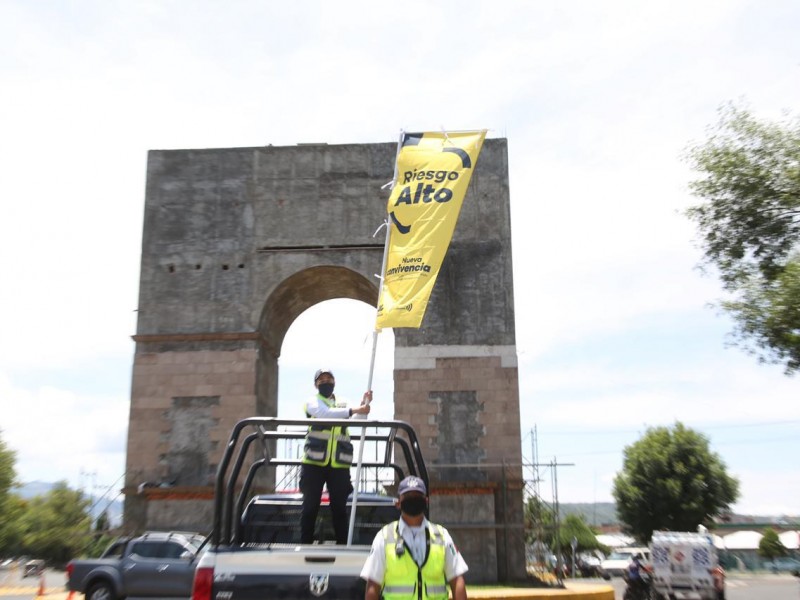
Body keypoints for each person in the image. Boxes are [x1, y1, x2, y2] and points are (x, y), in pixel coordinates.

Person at [361, 475, 468, 600]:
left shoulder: (442, 536)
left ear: (426, 501)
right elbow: (373, 584)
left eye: (417, 496)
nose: (413, 499)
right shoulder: (384, 537)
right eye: (408, 497)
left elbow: (457, 580)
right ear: (398, 503)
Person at [300, 368, 371, 545]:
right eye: (321, 380)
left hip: (339, 465)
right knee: (310, 508)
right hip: (313, 464)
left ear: (334, 382)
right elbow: (325, 414)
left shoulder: (344, 403)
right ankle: (304, 546)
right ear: (315, 384)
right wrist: (356, 409)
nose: (325, 382)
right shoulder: (312, 401)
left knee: (339, 509)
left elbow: (357, 422)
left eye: (329, 379)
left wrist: (364, 406)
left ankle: (343, 546)